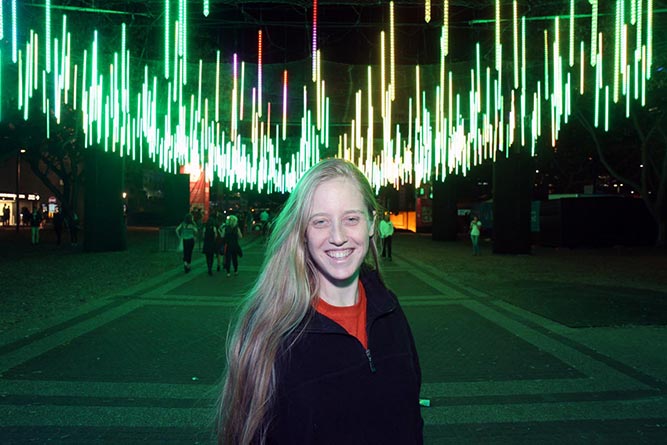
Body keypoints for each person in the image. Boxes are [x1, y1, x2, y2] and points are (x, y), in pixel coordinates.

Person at [216, 159, 423, 444]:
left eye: (351, 219)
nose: (338, 237)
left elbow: (411, 420)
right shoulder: (271, 332)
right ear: (303, 232)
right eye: (320, 221)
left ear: (372, 223)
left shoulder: (390, 310)